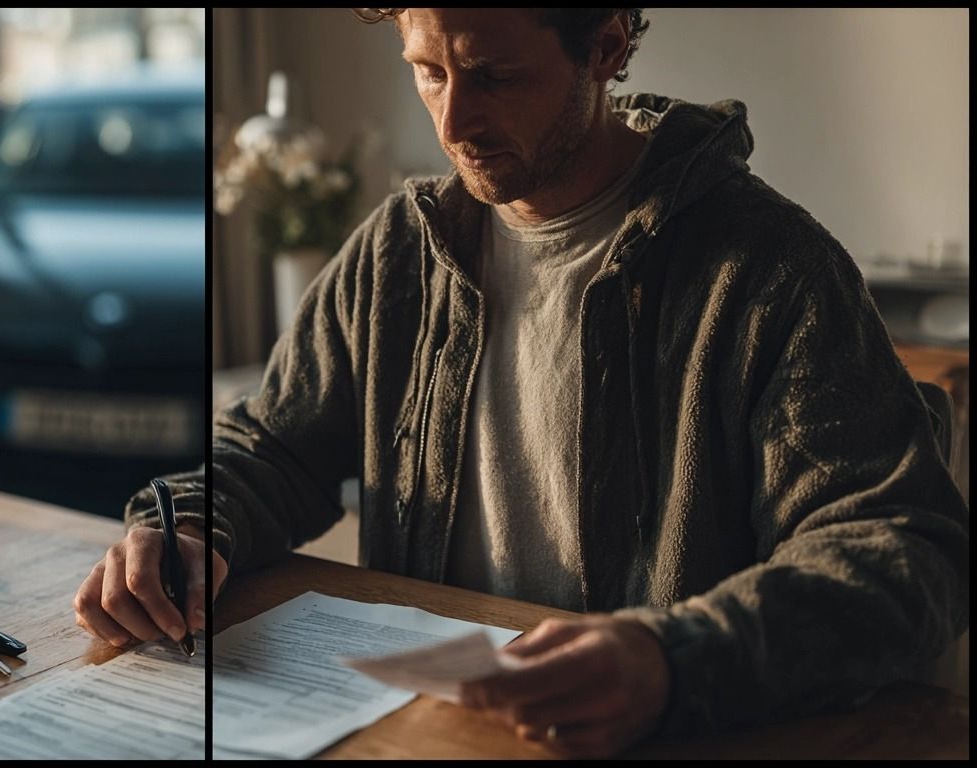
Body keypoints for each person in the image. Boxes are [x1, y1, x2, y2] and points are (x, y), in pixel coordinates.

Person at [73, 6, 969, 758]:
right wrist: (189, 520)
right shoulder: (401, 251)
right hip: (434, 734)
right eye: (427, 73)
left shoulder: (769, 269)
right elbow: (274, 444)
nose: (453, 121)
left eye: (494, 77)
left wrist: (675, 658)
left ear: (608, 48)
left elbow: (904, 552)